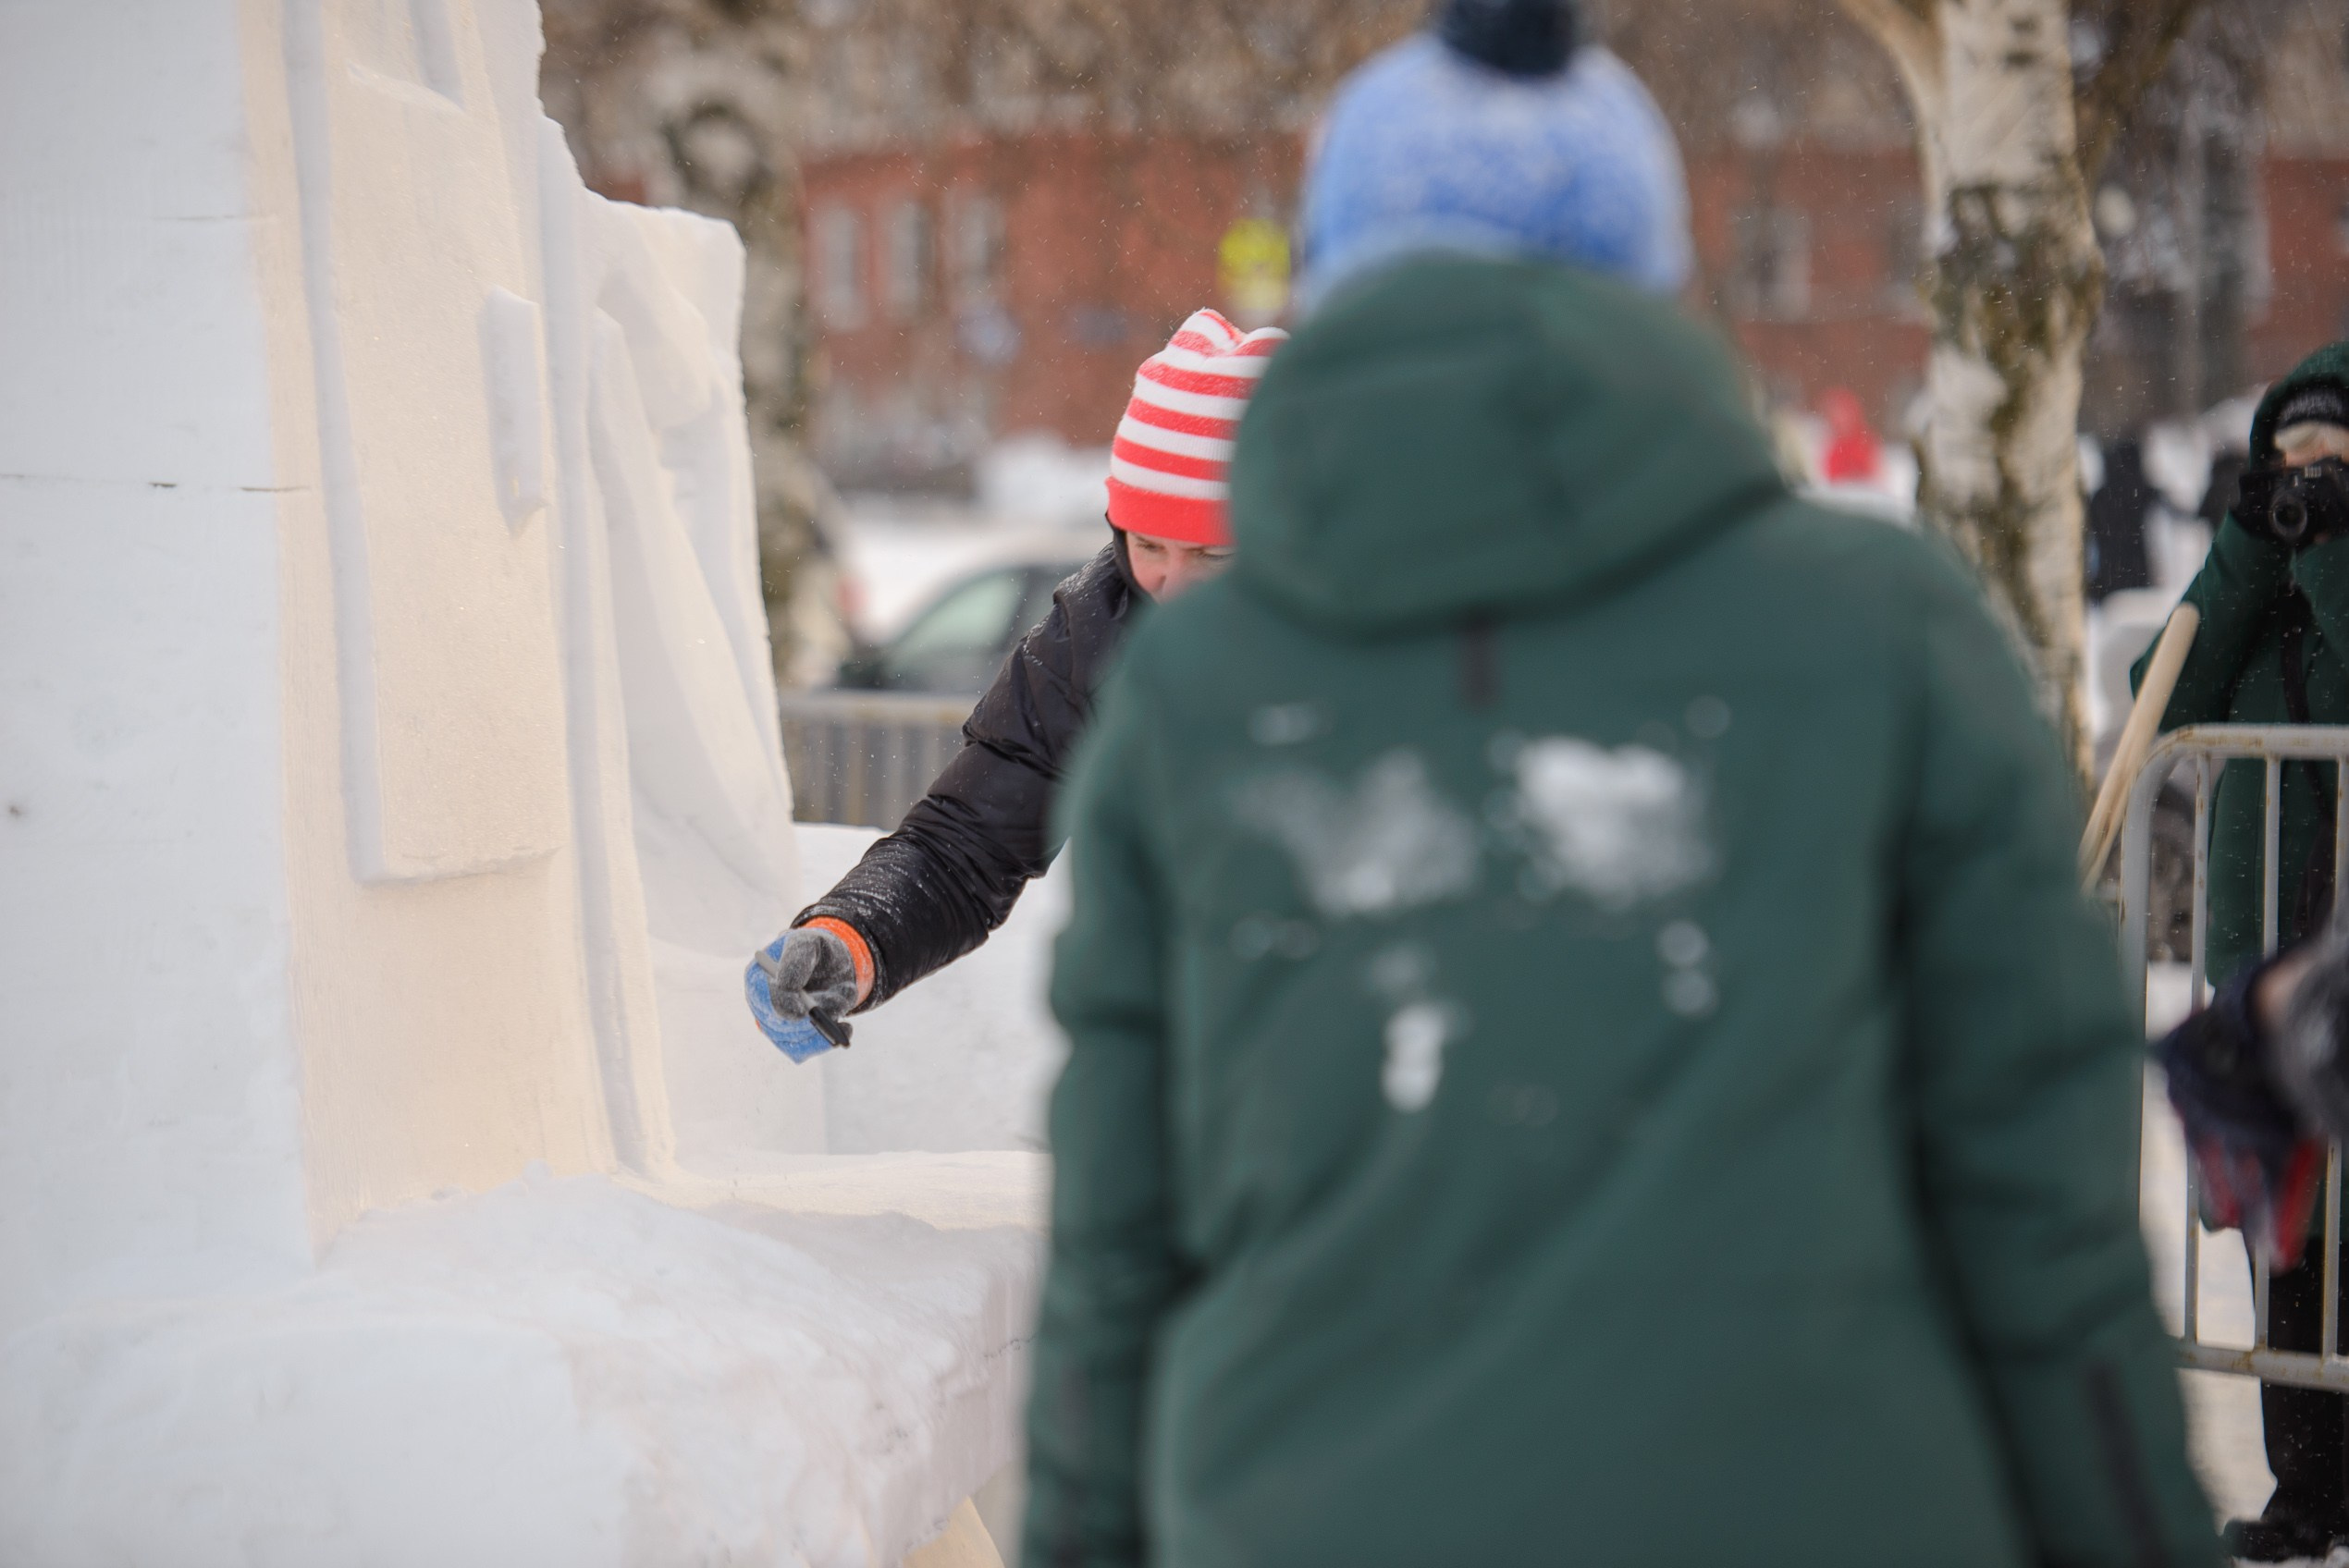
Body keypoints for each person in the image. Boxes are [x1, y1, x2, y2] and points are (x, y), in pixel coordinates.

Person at [1020, 3, 2216, 1564]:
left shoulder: (1199, 700)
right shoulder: (1886, 639)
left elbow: (1116, 1269)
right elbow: (2040, 1227)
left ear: (1336, 290)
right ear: (1652, 281)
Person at [747, 310, 1286, 1050]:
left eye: (1213, 554)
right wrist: (854, 937)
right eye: (1148, 543)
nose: (1170, 584)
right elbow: (967, 844)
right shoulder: (1097, 636)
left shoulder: (1393, 631)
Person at [2136, 341, 2349, 1560]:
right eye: (2289, 456)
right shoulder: (2258, 580)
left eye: (2332, 456)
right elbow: (2160, 699)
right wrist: (2250, 543)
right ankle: (2305, 1489)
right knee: (2290, 1226)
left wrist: (2331, 553)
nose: (2306, 477)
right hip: (2266, 948)